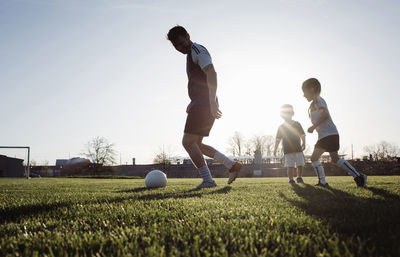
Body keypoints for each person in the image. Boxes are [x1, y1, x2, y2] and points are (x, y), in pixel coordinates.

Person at [167, 25, 241, 188]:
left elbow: (211, 73)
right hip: (200, 103)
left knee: (187, 142)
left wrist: (212, 102)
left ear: (188, 36)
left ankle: (208, 180)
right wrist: (193, 101)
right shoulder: (190, 54)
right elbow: (199, 82)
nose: (180, 47)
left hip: (205, 104)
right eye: (176, 46)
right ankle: (231, 165)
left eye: (181, 42)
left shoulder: (197, 50)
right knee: (197, 144)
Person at [301, 78, 367, 187]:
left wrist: (313, 126)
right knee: (325, 159)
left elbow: (325, 114)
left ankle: (358, 176)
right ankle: (324, 182)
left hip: (330, 134)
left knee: (326, 159)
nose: (303, 95)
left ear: (312, 89)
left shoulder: (319, 100)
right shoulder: (313, 104)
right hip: (323, 136)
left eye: (305, 92)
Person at [273, 104, 306, 184]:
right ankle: (291, 179)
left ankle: (299, 177)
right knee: (290, 166)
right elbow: (277, 139)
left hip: (298, 148)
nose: (287, 115)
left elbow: (302, 134)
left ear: (292, 113)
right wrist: (275, 149)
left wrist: (304, 143)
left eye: (289, 112)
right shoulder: (281, 127)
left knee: (300, 164)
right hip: (287, 150)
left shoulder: (297, 124)